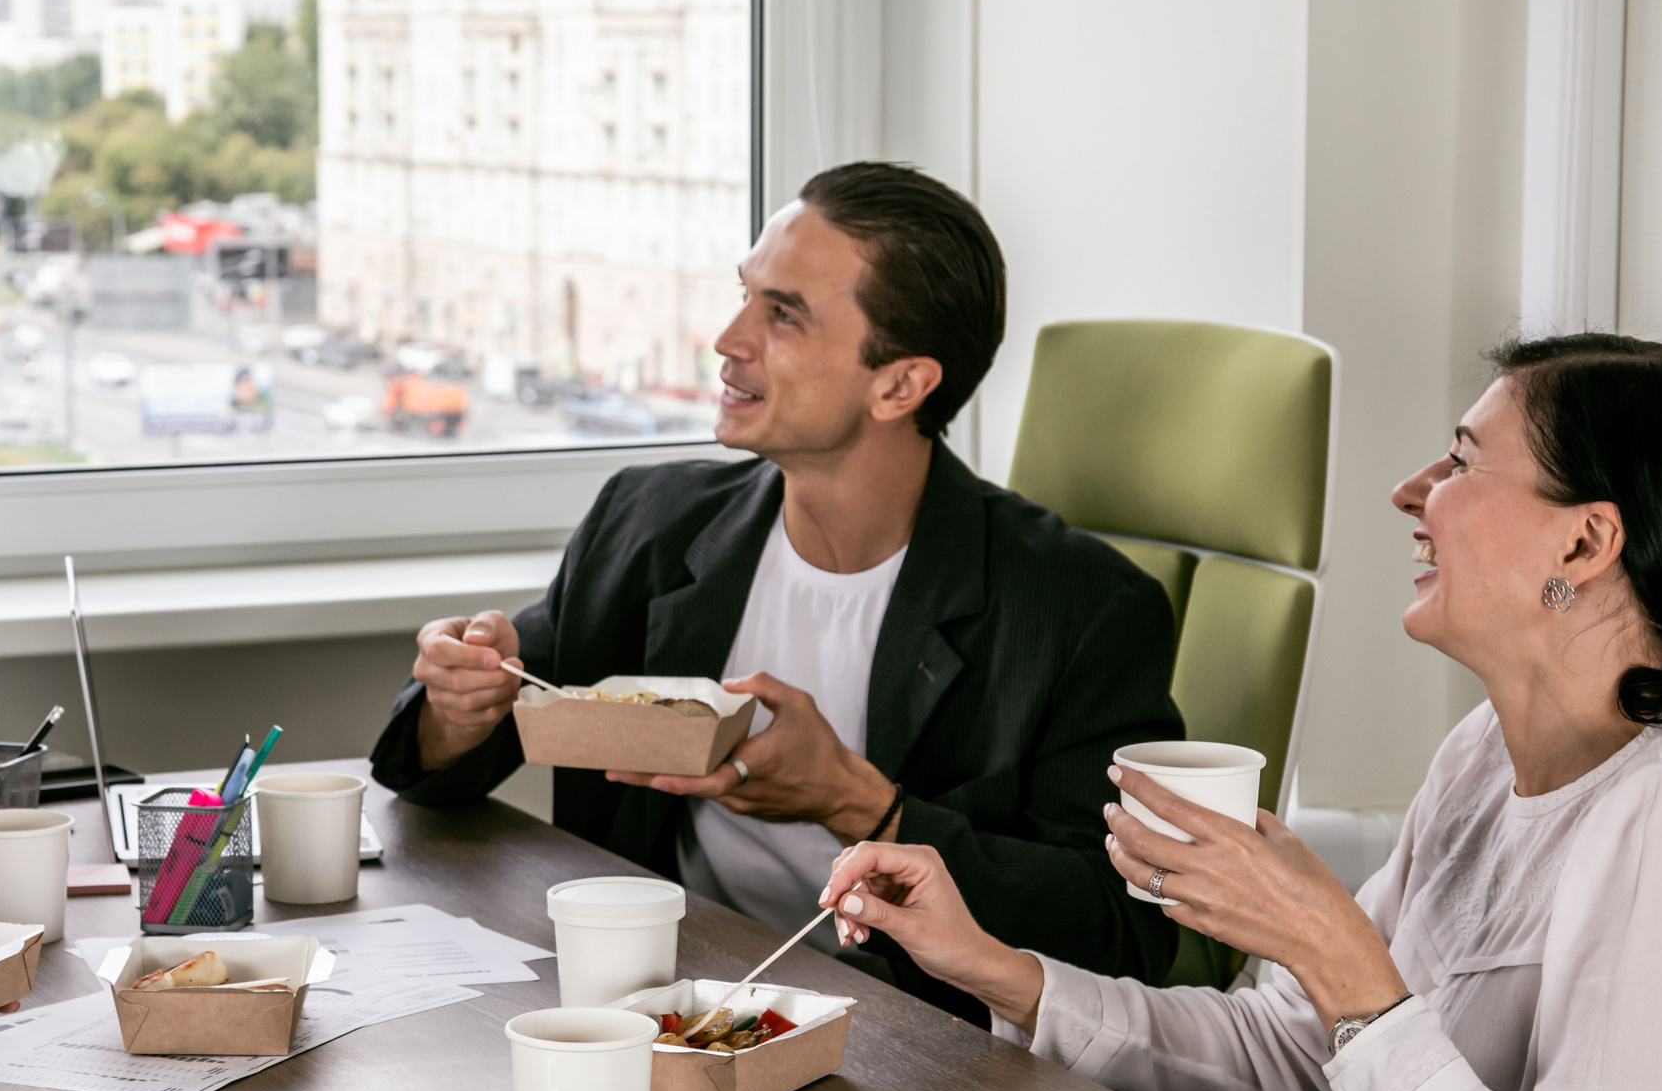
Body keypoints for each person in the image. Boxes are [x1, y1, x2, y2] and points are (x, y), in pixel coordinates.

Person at [819, 334, 1662, 1091]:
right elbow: (1286, 1060)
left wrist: (1349, 973)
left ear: (1584, 546)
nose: (1413, 491)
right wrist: (1001, 974)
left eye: (1459, 462)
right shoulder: (1478, 756)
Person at [372, 162, 1185, 1020]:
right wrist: (458, 708)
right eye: (744, 294)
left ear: (900, 383)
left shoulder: (1079, 606)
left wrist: (860, 804)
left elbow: (1121, 930)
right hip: (665, 1008)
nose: (728, 337)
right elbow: (437, 766)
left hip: (920, 1047)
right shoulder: (650, 521)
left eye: (783, 313)